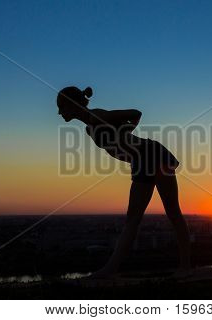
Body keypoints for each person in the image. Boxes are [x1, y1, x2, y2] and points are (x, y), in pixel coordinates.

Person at [56, 86, 192, 279]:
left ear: (70, 105)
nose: (59, 113)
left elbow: (136, 114)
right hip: (140, 161)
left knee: (172, 212)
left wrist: (125, 131)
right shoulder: (89, 127)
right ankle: (110, 270)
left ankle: (185, 267)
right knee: (133, 219)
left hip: (154, 155)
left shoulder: (97, 116)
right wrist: (123, 135)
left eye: (61, 107)